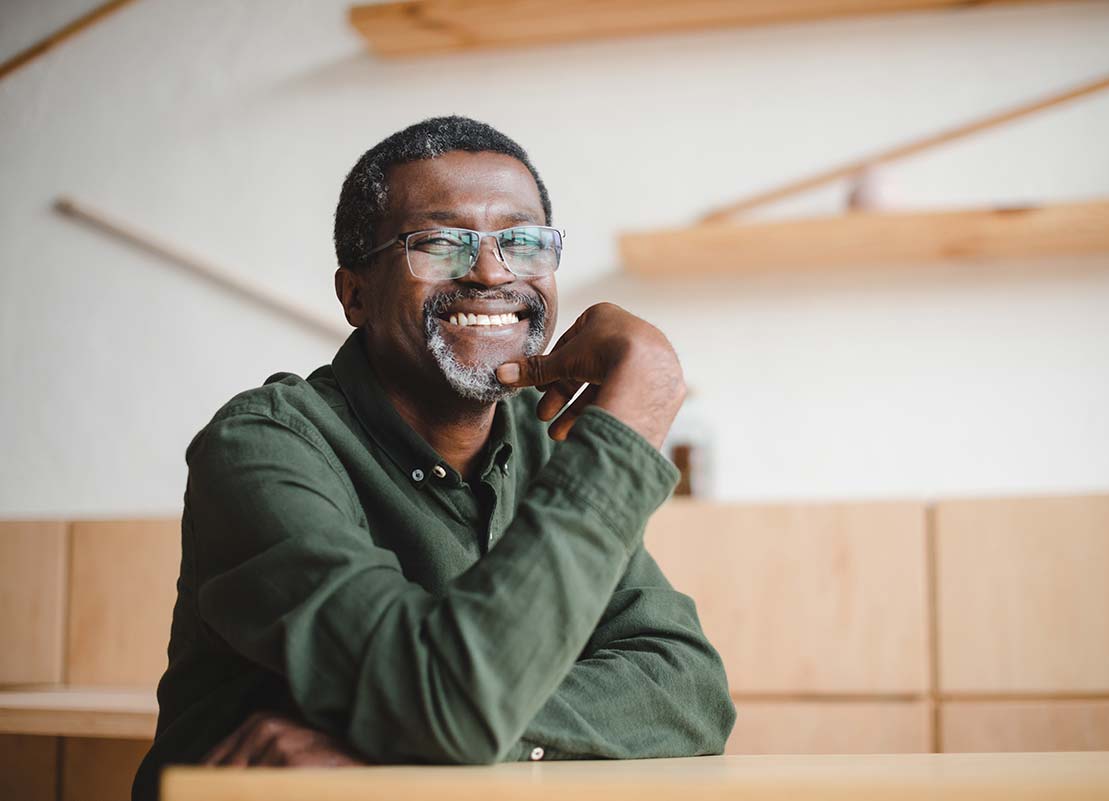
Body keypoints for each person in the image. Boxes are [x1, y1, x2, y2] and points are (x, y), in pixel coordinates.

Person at [132, 115, 735, 799]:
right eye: (442, 242)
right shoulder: (262, 446)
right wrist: (629, 420)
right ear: (354, 294)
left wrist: (417, 740)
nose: (490, 271)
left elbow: (688, 688)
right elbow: (447, 703)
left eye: (522, 240)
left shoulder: (544, 442)